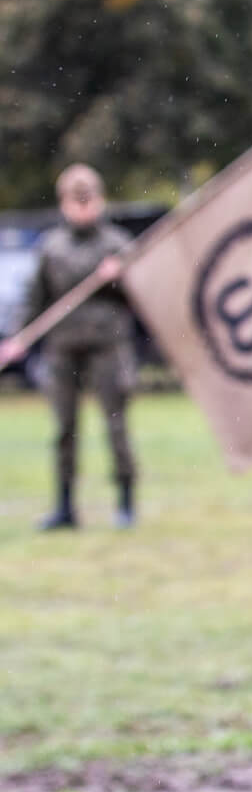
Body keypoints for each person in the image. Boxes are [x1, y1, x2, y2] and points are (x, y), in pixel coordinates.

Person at [0, 164, 139, 530]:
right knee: (64, 428)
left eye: (88, 200)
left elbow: (142, 298)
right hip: (63, 347)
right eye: (76, 201)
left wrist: (120, 277)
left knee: (116, 424)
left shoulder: (117, 245)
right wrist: (18, 338)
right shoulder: (52, 246)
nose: (82, 208)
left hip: (108, 345)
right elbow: (35, 299)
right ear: (64, 203)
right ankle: (64, 507)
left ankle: (125, 504)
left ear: (100, 200)